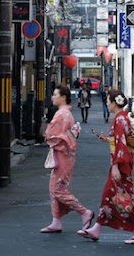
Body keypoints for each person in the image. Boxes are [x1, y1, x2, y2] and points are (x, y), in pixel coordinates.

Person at [77, 89, 134, 245]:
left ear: (114, 103)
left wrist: (116, 166)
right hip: (122, 162)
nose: (106, 103)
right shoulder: (123, 118)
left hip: (120, 165)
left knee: (128, 198)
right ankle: (96, 228)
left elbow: (121, 144)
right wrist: (107, 139)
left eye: (108, 101)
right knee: (108, 195)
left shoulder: (119, 120)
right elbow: (123, 140)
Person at [41, 84, 94, 233]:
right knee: (55, 188)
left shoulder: (62, 114)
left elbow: (52, 134)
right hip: (64, 154)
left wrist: (48, 135)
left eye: (55, 95)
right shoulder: (65, 114)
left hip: (62, 154)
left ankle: (84, 212)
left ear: (63, 97)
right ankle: (56, 220)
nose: (52, 97)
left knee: (58, 189)